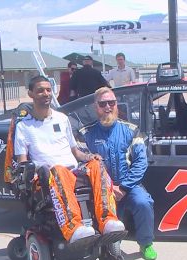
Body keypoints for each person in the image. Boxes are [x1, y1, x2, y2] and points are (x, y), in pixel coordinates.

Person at [14, 75, 125, 247]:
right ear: (31, 94)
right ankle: (73, 228)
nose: (45, 94)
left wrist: (90, 157)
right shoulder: (23, 126)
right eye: (40, 90)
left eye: (48, 90)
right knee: (58, 170)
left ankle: (108, 221)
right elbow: (23, 162)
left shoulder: (62, 118)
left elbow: (75, 152)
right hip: (48, 177)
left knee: (96, 164)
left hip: (74, 171)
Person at [82, 87, 157, 260]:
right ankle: (107, 245)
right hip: (101, 189)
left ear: (117, 105)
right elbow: (83, 164)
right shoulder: (86, 134)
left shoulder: (131, 130)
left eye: (112, 103)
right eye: (103, 103)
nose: (108, 107)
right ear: (96, 107)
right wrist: (108, 188)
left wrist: (123, 187)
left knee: (144, 203)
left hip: (128, 185)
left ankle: (146, 244)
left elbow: (141, 162)